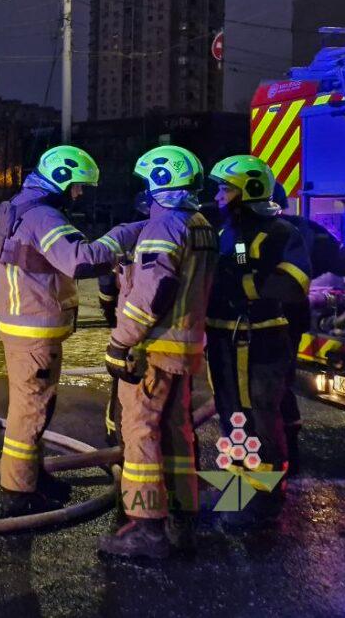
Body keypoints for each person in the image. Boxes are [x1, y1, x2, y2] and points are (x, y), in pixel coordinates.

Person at [0, 145, 143, 516]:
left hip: (19, 323)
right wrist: (122, 236)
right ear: (60, 179)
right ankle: (20, 493)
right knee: (31, 410)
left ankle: (33, 476)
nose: (79, 194)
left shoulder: (13, 209)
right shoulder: (44, 218)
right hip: (34, 328)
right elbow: (80, 260)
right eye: (76, 186)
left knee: (35, 405)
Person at [97, 146, 217, 560]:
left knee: (141, 433)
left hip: (154, 350)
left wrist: (121, 341)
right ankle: (182, 517)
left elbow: (152, 292)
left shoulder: (163, 228)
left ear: (159, 180)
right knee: (177, 432)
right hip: (184, 347)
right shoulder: (199, 223)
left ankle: (146, 529)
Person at [206, 155, 311, 529]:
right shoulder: (226, 230)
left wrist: (241, 284)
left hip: (262, 340)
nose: (219, 195)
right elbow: (230, 266)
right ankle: (239, 486)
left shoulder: (282, 233)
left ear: (248, 190)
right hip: (222, 338)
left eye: (226, 188)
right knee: (232, 414)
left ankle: (267, 497)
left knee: (262, 415)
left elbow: (293, 286)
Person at [271, 182, 345, 468]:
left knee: (259, 390)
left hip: (252, 322)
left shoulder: (239, 231)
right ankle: (287, 455)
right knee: (279, 385)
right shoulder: (305, 230)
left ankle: (268, 464)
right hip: (289, 318)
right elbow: (341, 258)